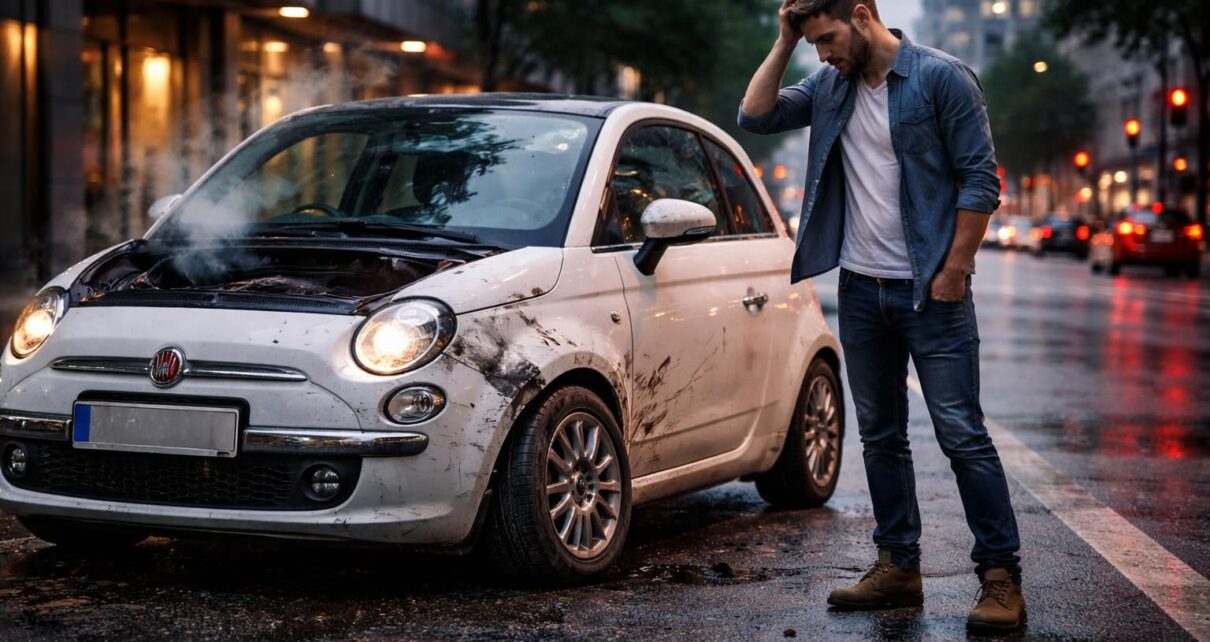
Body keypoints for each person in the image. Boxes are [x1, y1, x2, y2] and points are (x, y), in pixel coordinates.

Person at [737, 0, 1025, 634]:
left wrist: (955, 269)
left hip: (932, 290)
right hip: (863, 289)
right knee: (880, 437)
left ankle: (1001, 577)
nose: (824, 54)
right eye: (813, 44)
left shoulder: (940, 77)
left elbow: (980, 179)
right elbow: (754, 115)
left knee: (961, 435)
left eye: (829, 39)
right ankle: (898, 564)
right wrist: (785, 40)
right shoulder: (830, 85)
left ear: (864, 16)